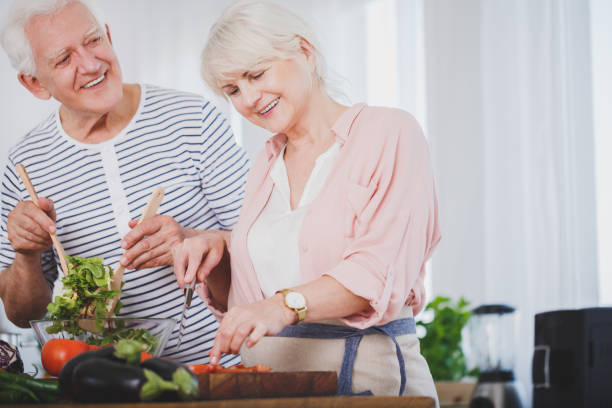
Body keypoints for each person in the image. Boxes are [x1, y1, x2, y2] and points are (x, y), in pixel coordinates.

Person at [172, 0, 441, 399]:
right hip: (278, 388)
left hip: (368, 385)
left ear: (304, 50)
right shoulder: (265, 165)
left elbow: (376, 272)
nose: (248, 97)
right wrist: (218, 257)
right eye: (233, 89)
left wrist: (282, 306)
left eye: (256, 74)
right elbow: (248, 303)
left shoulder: (389, 133)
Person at [0, 0, 249, 365]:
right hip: (108, 384)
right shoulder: (25, 165)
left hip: (225, 370)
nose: (90, 64)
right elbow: (23, 313)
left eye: (93, 41)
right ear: (35, 83)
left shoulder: (193, 119)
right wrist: (25, 254)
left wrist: (190, 238)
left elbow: (262, 248)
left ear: (110, 37)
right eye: (64, 59)